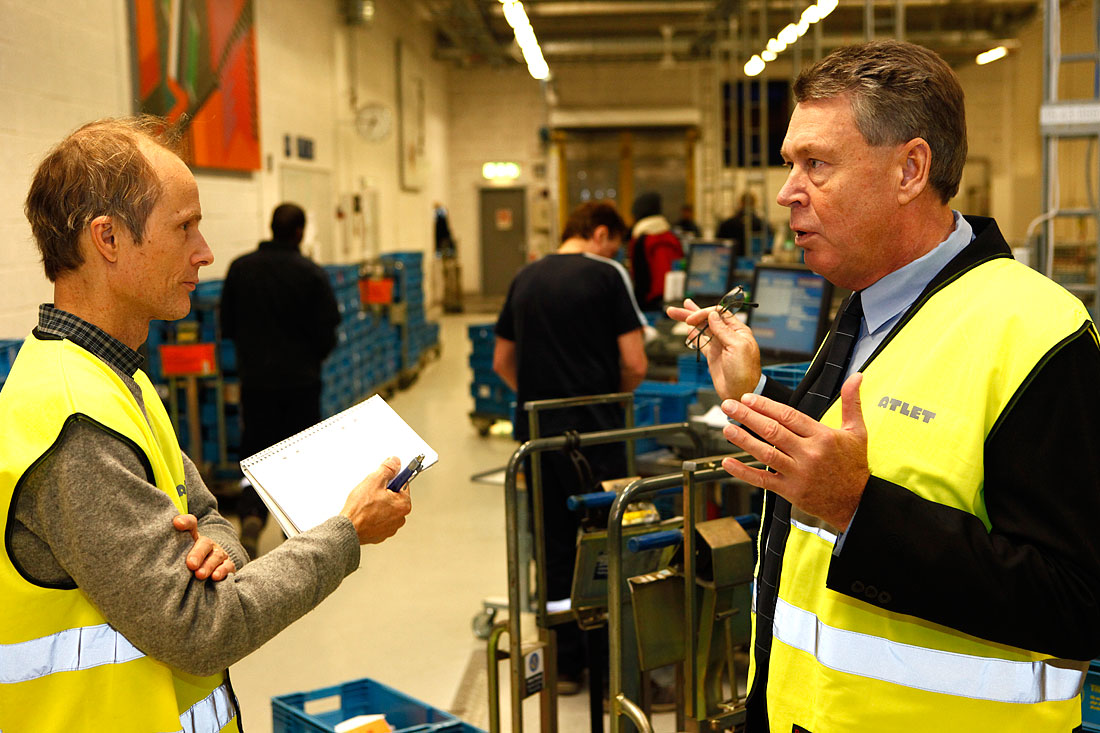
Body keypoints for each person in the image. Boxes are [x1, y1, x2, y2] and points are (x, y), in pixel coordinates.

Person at [669, 40, 1100, 730]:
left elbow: (1077, 600)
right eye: (789, 163)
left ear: (910, 169)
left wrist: (860, 509)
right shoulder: (866, 305)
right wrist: (755, 395)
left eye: (816, 164)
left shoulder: (1037, 332)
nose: (786, 192)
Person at [1, 117, 412, 732]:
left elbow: (209, 515)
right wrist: (347, 531)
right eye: (184, 227)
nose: (205, 251)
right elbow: (201, 627)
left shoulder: (119, 379)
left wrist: (215, 548)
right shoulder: (75, 424)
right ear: (107, 238)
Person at [493, 201, 648, 693]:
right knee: (606, 546)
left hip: (538, 437)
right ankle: (610, 672)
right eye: (614, 244)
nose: (614, 254)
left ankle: (563, 665)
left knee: (553, 547)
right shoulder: (607, 275)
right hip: (597, 437)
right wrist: (607, 400)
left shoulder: (525, 277)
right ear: (601, 234)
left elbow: (502, 361)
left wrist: (542, 401)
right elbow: (635, 362)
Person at [220, 203, 341, 557]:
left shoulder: (240, 269)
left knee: (256, 453)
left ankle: (251, 514)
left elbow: (227, 324)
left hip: (256, 383)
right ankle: (294, 530)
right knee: (299, 457)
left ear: (272, 227)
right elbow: (328, 332)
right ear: (300, 232)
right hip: (301, 384)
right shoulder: (311, 274)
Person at [628, 191, 684, 310]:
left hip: (650, 304)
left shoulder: (641, 239)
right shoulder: (671, 236)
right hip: (674, 300)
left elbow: (640, 278)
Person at [716, 191, 772, 258]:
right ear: (755, 204)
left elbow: (718, 246)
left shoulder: (726, 224)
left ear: (740, 203)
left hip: (731, 260)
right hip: (755, 261)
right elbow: (769, 248)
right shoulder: (762, 225)